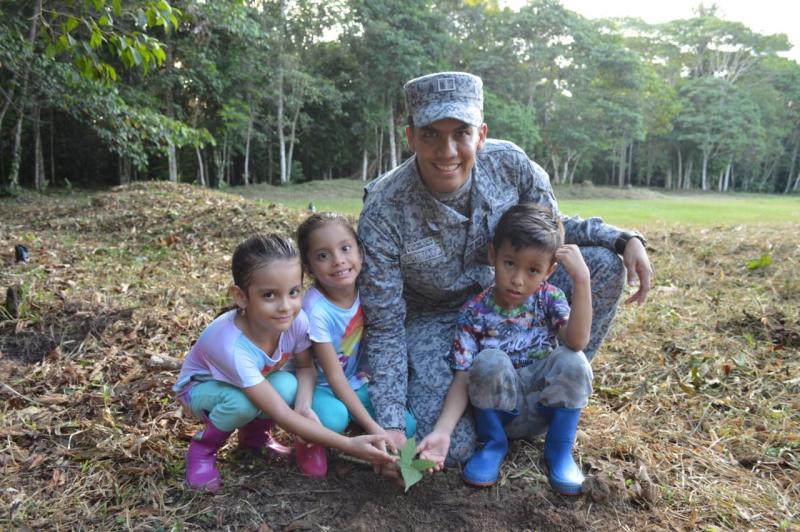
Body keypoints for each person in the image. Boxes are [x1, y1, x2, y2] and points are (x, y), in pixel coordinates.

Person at [357, 71, 653, 479]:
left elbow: (551, 233)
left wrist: (622, 239)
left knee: (600, 265)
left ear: (481, 134)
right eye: (431, 135)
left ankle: (552, 398)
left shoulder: (510, 165)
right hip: (437, 318)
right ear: (411, 137)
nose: (447, 151)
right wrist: (389, 424)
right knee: (454, 448)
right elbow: (386, 323)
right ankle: (495, 417)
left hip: (518, 298)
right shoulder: (384, 207)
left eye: (460, 133)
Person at [173, 233, 395, 492]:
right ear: (241, 296)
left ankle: (254, 439)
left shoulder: (296, 321)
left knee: (288, 385)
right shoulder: (230, 345)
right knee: (240, 403)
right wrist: (349, 445)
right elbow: (280, 413)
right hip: (201, 389)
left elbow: (304, 367)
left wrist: (303, 406)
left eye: (293, 292)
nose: (285, 306)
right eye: (269, 295)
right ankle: (203, 450)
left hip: (251, 383)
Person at [417, 203, 592, 494]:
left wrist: (582, 280)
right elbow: (463, 376)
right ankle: (493, 446)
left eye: (533, 270)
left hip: (541, 411)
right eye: (510, 263)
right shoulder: (474, 311)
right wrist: (442, 431)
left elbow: (576, 341)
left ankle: (559, 451)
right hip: (500, 415)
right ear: (492, 255)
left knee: (573, 360)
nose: (518, 279)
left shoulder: (550, 299)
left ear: (549, 271)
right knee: (488, 361)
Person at [296, 213, 417, 477]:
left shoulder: (369, 289)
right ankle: (307, 440)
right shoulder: (315, 309)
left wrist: (382, 427)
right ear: (308, 268)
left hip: (356, 379)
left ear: (360, 253)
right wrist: (375, 428)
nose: (338, 260)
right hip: (324, 386)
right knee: (333, 419)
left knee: (405, 423)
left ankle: (360, 430)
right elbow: (334, 376)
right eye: (323, 255)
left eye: (345, 248)